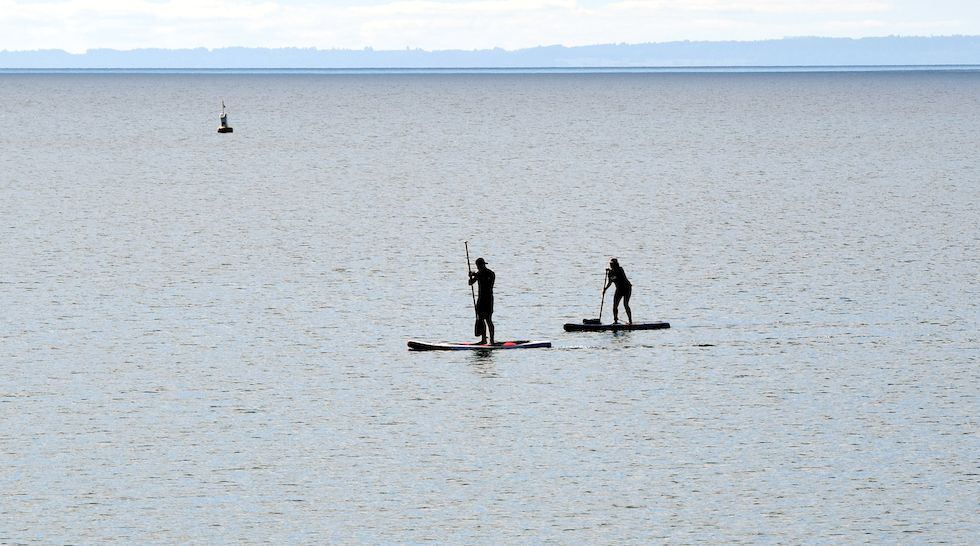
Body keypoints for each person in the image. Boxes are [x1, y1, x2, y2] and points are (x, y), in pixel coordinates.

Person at [468, 257, 495, 344]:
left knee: (488, 319)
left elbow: (485, 280)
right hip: (480, 299)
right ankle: (483, 340)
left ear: (483, 265)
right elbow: (470, 283)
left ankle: (492, 340)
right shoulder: (479, 274)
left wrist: (475, 275)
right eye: (477, 266)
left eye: (479, 266)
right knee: (480, 319)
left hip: (488, 299)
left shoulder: (490, 273)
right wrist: (471, 276)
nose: (478, 268)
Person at [604, 258, 633, 324]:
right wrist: (605, 289)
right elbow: (610, 282)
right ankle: (615, 321)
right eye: (610, 264)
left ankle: (630, 321)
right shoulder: (610, 273)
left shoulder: (620, 269)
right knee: (615, 306)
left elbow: (616, 276)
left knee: (625, 304)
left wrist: (611, 272)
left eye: (612, 264)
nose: (611, 265)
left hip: (626, 288)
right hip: (619, 289)